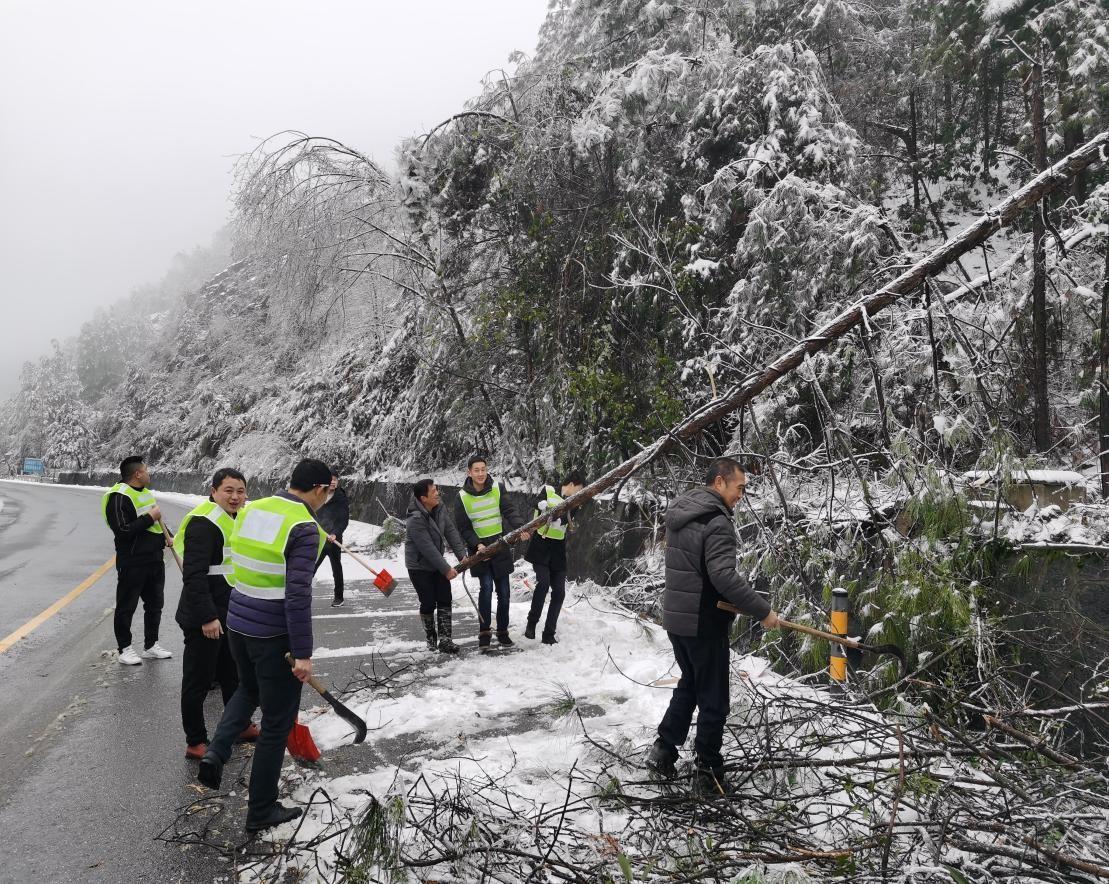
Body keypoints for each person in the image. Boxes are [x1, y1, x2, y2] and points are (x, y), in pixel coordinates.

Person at [197, 458, 331, 834]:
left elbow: (245, 564)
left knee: (248, 688)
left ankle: (216, 751)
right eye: (329, 491)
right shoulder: (304, 527)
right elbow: (297, 594)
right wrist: (303, 654)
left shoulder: (252, 509)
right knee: (275, 723)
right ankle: (261, 810)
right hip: (274, 635)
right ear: (319, 490)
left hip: (238, 621)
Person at [646, 457, 780, 794]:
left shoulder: (682, 512)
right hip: (704, 621)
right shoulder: (717, 521)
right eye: (739, 488)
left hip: (677, 618)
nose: (741, 495)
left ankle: (663, 751)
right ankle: (708, 772)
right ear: (719, 482)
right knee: (714, 698)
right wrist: (762, 611)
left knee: (691, 684)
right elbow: (722, 576)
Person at [174, 468, 260, 759]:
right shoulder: (204, 522)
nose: (235, 497)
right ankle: (195, 740)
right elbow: (194, 575)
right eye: (229, 491)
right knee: (197, 680)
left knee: (233, 674)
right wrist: (207, 617)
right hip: (205, 616)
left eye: (240, 491)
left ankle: (239, 725)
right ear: (214, 491)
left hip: (231, 611)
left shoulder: (236, 519)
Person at [102, 455, 174, 665]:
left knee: (155, 605)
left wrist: (167, 535)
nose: (149, 473)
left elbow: (156, 521)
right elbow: (123, 531)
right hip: (132, 561)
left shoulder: (146, 494)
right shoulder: (118, 497)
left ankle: (151, 645)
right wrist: (150, 517)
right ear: (137, 474)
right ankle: (125, 649)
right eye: (146, 470)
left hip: (154, 558)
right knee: (127, 606)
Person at [454, 455, 528, 652]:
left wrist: (521, 528)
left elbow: (509, 510)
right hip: (479, 550)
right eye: (476, 470)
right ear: (469, 472)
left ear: (487, 470)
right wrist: (477, 545)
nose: (480, 473)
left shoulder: (497, 488)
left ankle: (503, 633)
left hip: (500, 545)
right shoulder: (461, 496)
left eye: (483, 469)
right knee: (486, 589)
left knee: (504, 593)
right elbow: (463, 527)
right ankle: (484, 633)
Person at [405, 478, 468, 654]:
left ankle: (446, 640)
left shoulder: (439, 508)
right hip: (419, 566)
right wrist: (447, 569)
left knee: (445, 598)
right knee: (427, 602)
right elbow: (427, 548)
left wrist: (462, 555)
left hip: (436, 563)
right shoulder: (415, 519)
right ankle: (431, 636)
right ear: (423, 498)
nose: (437, 493)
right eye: (433, 492)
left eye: (436, 490)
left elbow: (450, 530)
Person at [523, 471, 586, 645]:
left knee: (559, 592)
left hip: (558, 550)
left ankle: (549, 633)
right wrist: (541, 504)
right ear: (572, 484)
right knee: (543, 584)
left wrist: (561, 521)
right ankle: (531, 623)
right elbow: (533, 501)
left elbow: (567, 520)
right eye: (579, 489)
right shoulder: (549, 490)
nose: (579, 492)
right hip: (540, 546)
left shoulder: (575, 502)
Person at [313, 473, 350, 607]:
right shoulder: (319, 495)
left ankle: (339, 597)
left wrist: (335, 533)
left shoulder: (341, 498)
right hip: (320, 538)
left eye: (335, 480)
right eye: (330, 480)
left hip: (334, 540)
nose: (333, 482)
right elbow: (313, 514)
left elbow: (344, 519)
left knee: (336, 568)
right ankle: (302, 594)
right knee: (311, 567)